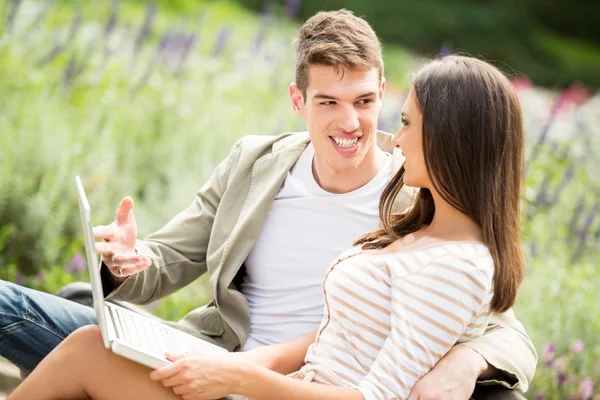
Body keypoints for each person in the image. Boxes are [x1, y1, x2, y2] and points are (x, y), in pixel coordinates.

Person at [0, 10, 536, 399]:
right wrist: (126, 259)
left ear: (382, 92)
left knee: (86, 347)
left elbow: (498, 318)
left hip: (291, 384)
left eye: (366, 103)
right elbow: (166, 263)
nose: (351, 124)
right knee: (21, 309)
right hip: (219, 352)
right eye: (328, 102)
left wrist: (469, 360)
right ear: (298, 100)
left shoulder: (421, 193)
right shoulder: (256, 162)